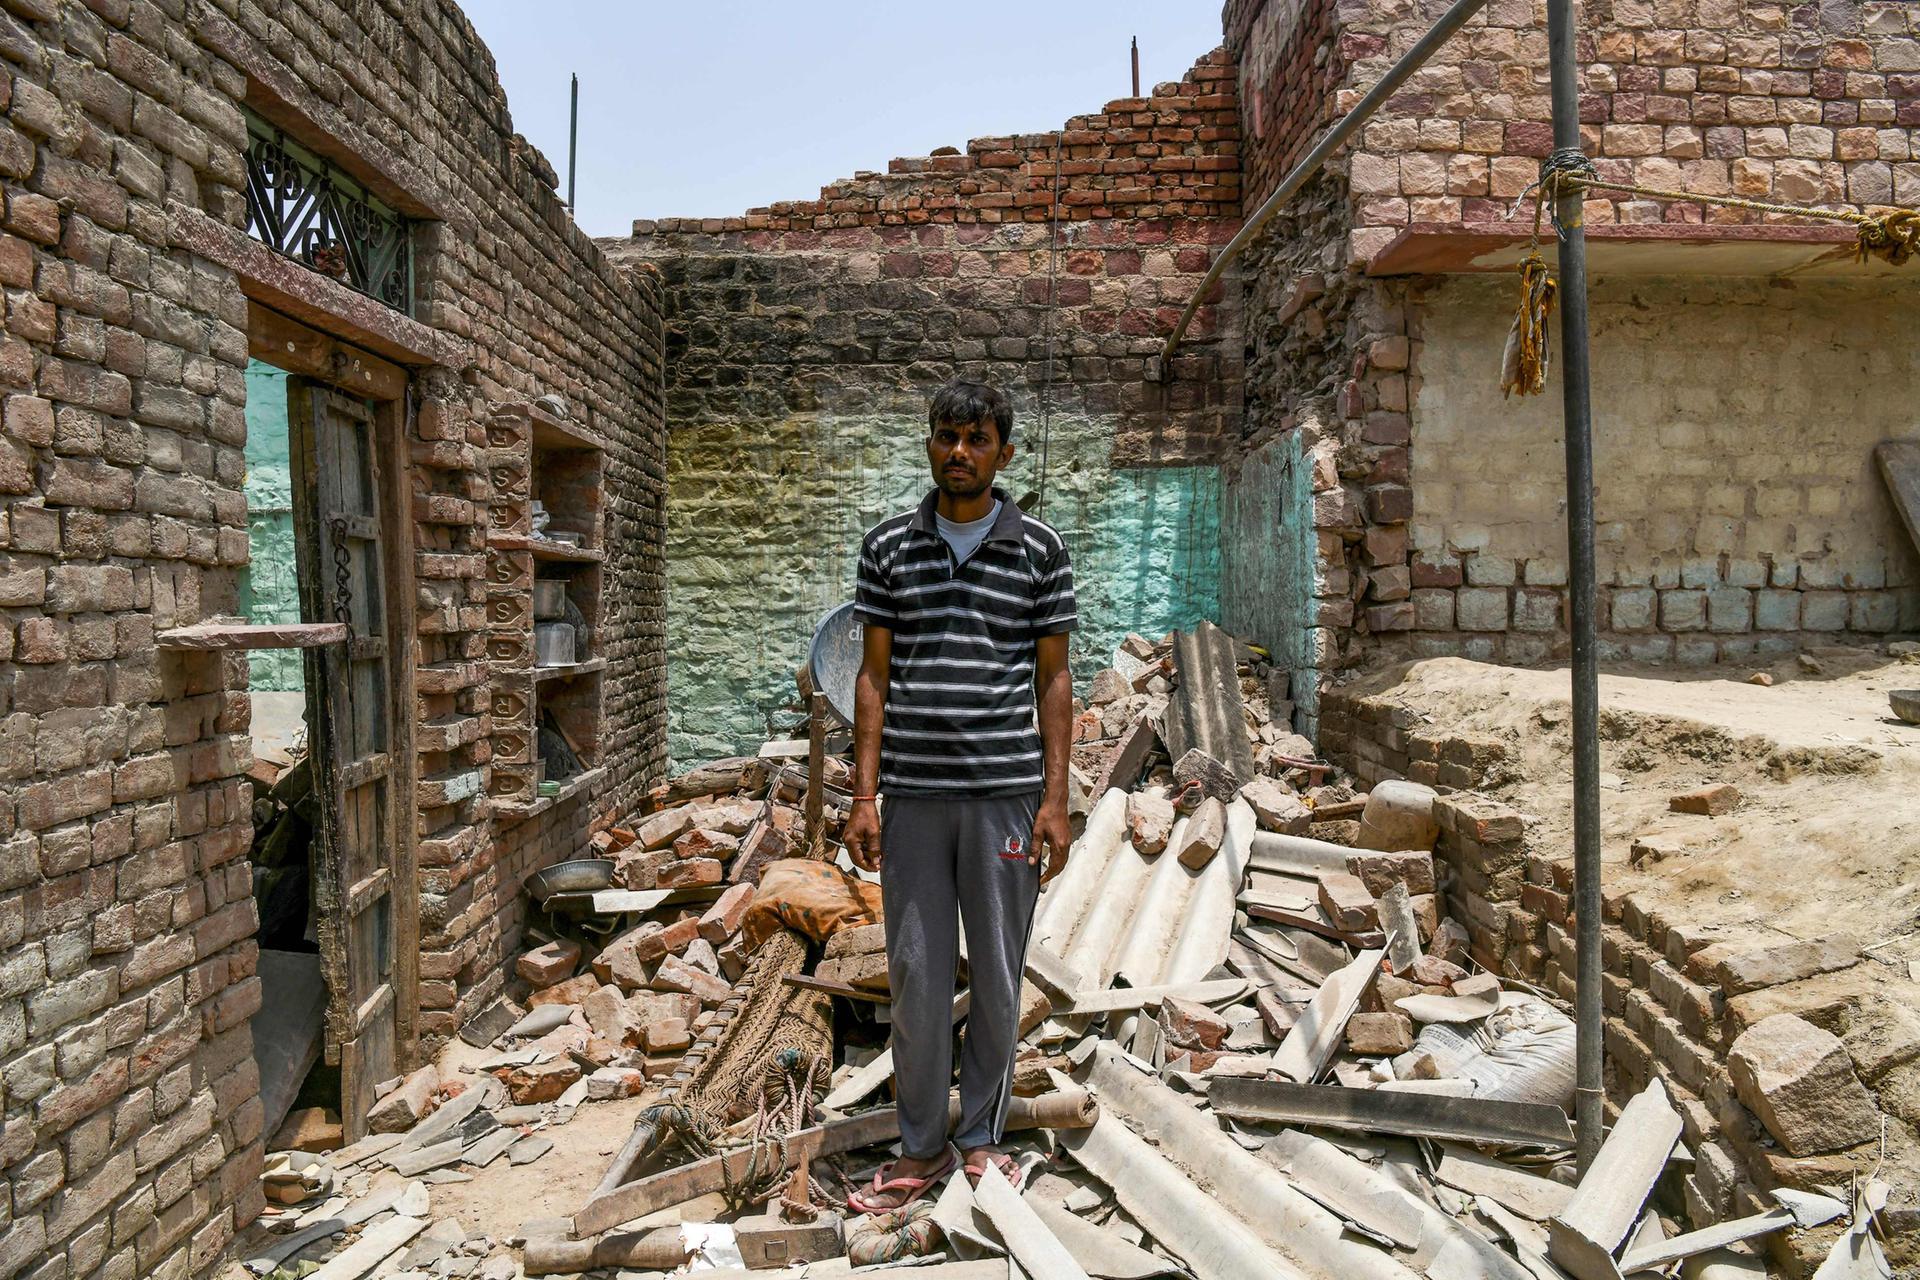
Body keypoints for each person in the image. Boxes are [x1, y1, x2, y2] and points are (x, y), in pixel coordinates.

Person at [841, 378, 1077, 1212]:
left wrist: (1056, 798)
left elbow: (1054, 682)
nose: (960, 452)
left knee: (1001, 977)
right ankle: (920, 1146)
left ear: (1003, 453)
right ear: (931, 445)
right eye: (947, 437)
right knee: (915, 974)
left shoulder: (1040, 550)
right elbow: (874, 676)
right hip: (911, 796)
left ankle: (980, 1139)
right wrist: (863, 796)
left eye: (977, 439)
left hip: (1005, 796)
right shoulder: (888, 548)